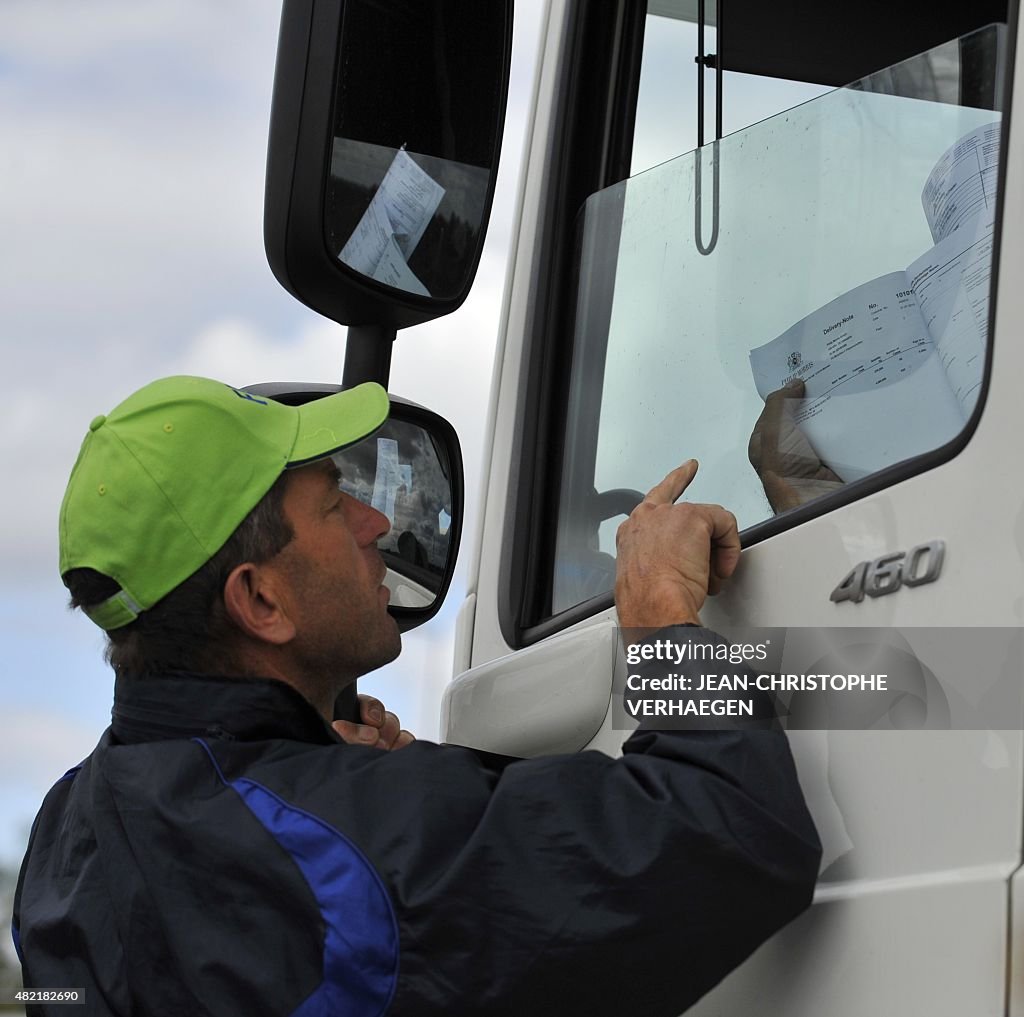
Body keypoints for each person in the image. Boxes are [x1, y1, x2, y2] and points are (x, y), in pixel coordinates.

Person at [13, 375, 821, 1016]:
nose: (372, 521)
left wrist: (335, 789)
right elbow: (731, 823)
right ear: (260, 601)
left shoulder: (63, 833)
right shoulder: (356, 844)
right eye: (333, 503)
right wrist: (659, 622)